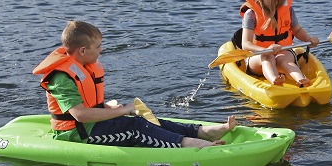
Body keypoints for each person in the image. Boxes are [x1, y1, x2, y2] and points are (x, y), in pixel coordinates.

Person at [34, 20, 236, 148]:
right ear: (83, 51)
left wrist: (112, 108)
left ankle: (201, 132)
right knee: (136, 127)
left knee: (146, 119)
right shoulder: (61, 77)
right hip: (78, 135)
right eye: (98, 46)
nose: (101, 50)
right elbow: (81, 115)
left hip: (90, 126)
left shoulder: (83, 66)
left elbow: (89, 106)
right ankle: (193, 144)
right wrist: (123, 111)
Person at [239, 0, 319, 87]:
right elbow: (246, 44)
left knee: (284, 59)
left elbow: (297, 30)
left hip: (283, 51)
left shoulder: (288, 10)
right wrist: (266, 49)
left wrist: (308, 39)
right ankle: (275, 80)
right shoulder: (251, 14)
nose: (273, 2)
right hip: (258, 58)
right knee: (267, 57)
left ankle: (301, 80)